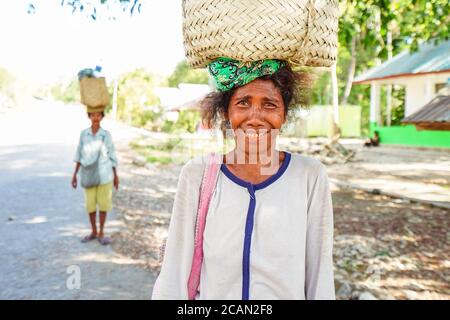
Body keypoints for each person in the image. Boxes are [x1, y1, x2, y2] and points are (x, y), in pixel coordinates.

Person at [152, 58, 335, 300]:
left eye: (269, 104)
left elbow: (320, 275)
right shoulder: (197, 175)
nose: (255, 116)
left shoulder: (309, 176)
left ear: (285, 116)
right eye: (243, 103)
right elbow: (175, 270)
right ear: (227, 113)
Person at [72, 107, 119, 245]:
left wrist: (116, 176)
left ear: (102, 117)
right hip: (88, 175)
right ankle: (93, 231)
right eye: (93, 115)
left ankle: (101, 232)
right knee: (90, 206)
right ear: (89, 116)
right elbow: (79, 154)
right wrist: (74, 175)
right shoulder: (84, 135)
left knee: (103, 205)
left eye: (98, 115)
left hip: (105, 176)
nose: (96, 117)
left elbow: (112, 156)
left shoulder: (106, 135)